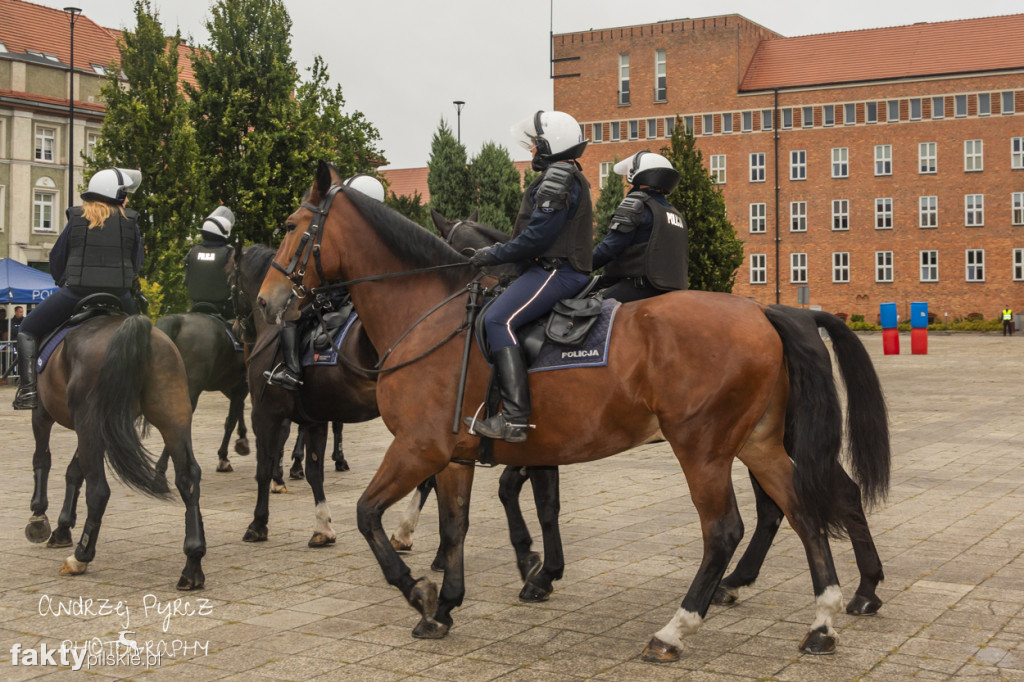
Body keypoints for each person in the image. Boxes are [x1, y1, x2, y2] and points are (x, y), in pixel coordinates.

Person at [465, 110, 593, 443]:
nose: (533, 151)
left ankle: (515, 419)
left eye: (536, 144)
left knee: (496, 320)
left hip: (556, 271)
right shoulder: (563, 174)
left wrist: (490, 255)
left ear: (553, 143)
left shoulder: (558, 176)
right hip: (551, 269)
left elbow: (537, 237)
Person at [13, 168, 143, 410]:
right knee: (143, 335)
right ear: (113, 194)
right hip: (119, 296)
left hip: (75, 294)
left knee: (28, 328)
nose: (127, 199)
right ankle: (145, 391)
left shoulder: (76, 219)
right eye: (124, 194)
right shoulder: (130, 222)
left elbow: (57, 258)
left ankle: (29, 391)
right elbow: (137, 262)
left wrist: (65, 282)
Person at [265, 174, 386, 389]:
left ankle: (292, 372)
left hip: (340, 297)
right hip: (366, 295)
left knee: (290, 318)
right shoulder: (379, 232)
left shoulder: (347, 233)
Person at [592, 151, 688, 303]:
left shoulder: (636, 205)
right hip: (672, 290)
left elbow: (610, 248)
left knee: (579, 311)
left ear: (637, 175)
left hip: (638, 288)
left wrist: (581, 265)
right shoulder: (675, 214)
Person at [185, 206, 236, 319]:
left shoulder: (192, 251)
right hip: (224, 309)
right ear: (225, 232)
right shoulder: (230, 253)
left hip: (195, 305)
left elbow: (187, 280)